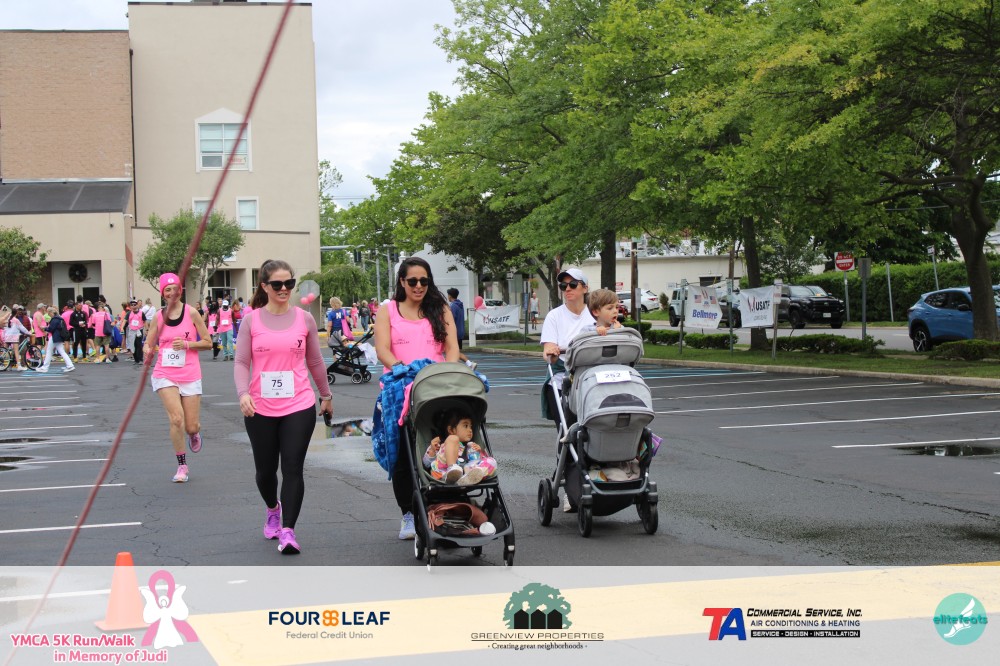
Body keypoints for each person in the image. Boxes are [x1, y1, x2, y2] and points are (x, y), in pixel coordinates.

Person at [235, 259, 333, 555]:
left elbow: (314, 360)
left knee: (292, 467)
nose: (284, 289)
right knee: (265, 472)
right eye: (277, 284)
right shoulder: (251, 321)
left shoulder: (305, 319)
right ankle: (272, 508)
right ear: (264, 286)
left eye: (289, 283)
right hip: (260, 407)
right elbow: (241, 362)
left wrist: (325, 395)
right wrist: (243, 393)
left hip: (299, 403)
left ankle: (288, 531)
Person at [374, 256, 459, 540]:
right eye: (412, 281)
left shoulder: (440, 309)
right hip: (400, 391)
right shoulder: (388, 310)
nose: (419, 286)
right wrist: (401, 369)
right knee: (403, 455)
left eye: (424, 280)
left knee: (440, 448)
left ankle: (440, 506)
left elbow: (452, 347)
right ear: (402, 281)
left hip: (435, 389)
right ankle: (408, 514)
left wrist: (448, 371)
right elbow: (383, 349)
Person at [144, 273, 213, 483]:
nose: (172, 293)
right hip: (165, 373)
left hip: (190, 373)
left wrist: (187, 344)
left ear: (180, 291)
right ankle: (182, 465)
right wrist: (147, 350)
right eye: (168, 289)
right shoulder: (158, 316)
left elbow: (208, 342)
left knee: (191, 426)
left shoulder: (191, 313)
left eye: (175, 289)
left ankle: (194, 434)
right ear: (163, 293)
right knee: (176, 419)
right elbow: (148, 343)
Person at [540, 268, 595, 511]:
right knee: (571, 433)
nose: (568, 289)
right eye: (564, 286)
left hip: (593, 379)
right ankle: (572, 489)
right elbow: (549, 350)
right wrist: (551, 351)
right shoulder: (555, 316)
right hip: (563, 379)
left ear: (585, 287)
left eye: (573, 284)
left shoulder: (595, 314)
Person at [423, 406, 497, 486]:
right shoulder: (442, 444)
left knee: (492, 461)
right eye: (465, 426)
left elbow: (477, 461)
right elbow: (426, 464)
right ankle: (452, 468)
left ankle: (471, 477)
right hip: (444, 472)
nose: (470, 430)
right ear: (451, 430)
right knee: (453, 439)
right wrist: (432, 451)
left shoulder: (470, 446)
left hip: (465, 473)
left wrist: (479, 452)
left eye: (471, 426)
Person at [36, 306, 74, 373]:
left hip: (55, 337)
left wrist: (45, 328)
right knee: (62, 351)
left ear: (51, 312)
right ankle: (70, 365)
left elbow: (51, 329)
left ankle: (45, 367)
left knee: (49, 351)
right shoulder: (60, 318)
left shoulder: (54, 319)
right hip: (59, 337)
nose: (48, 315)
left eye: (48, 313)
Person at [126, 299, 149, 364]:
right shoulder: (129, 313)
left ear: (137, 305)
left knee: (139, 344)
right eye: (132, 305)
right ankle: (136, 359)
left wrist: (147, 330)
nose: (133, 306)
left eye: (134, 305)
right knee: (133, 345)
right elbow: (125, 320)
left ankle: (140, 359)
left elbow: (145, 321)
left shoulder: (141, 313)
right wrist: (122, 328)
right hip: (131, 331)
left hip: (139, 330)